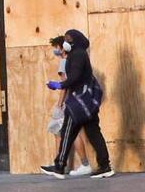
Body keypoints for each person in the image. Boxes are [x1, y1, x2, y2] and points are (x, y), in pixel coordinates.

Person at [41, 29, 114, 179]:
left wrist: (59, 85)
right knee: (93, 132)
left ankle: (59, 166)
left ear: (75, 41)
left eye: (68, 39)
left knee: (68, 132)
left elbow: (74, 77)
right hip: (86, 101)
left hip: (79, 101)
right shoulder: (78, 54)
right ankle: (104, 165)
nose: (65, 42)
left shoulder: (78, 55)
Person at [49, 35, 91, 177]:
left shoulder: (64, 63)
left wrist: (60, 104)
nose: (55, 51)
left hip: (68, 102)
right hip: (76, 100)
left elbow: (64, 85)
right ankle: (64, 163)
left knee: (62, 132)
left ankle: (63, 164)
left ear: (62, 48)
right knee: (69, 132)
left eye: (56, 48)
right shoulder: (73, 60)